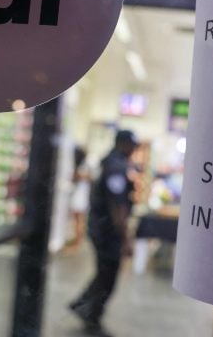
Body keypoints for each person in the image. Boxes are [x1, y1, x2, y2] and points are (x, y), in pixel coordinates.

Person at [69, 130, 138, 336]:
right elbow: (118, 207)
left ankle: (83, 306)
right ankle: (90, 313)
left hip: (101, 228)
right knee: (108, 274)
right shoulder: (116, 166)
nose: (134, 149)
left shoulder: (109, 161)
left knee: (104, 272)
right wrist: (126, 239)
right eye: (132, 145)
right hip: (107, 232)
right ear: (124, 144)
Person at [67, 146, 91, 251]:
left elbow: (87, 177)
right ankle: (76, 241)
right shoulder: (80, 165)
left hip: (81, 197)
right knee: (76, 220)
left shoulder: (84, 166)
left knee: (79, 220)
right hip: (78, 196)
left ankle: (77, 243)